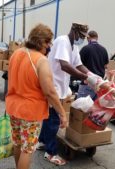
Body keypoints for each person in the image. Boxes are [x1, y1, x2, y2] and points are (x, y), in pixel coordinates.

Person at [5, 23, 68, 169]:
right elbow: (50, 92)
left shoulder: (16, 53)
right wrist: (62, 113)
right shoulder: (41, 60)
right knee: (27, 149)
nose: (49, 46)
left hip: (13, 107)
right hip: (30, 111)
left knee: (18, 143)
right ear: (42, 42)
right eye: (48, 42)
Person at [37, 23, 90, 165]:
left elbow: (78, 65)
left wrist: (91, 74)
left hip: (60, 88)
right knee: (54, 120)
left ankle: (42, 142)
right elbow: (64, 65)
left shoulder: (74, 46)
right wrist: (85, 78)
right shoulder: (62, 41)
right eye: (81, 36)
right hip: (52, 87)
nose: (82, 39)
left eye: (84, 37)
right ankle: (50, 152)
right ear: (74, 31)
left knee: (49, 117)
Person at [77, 30, 109, 100]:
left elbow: (78, 64)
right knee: (95, 109)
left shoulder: (85, 49)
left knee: (81, 108)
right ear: (97, 38)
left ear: (88, 38)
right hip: (100, 84)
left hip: (88, 83)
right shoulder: (104, 49)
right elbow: (106, 66)